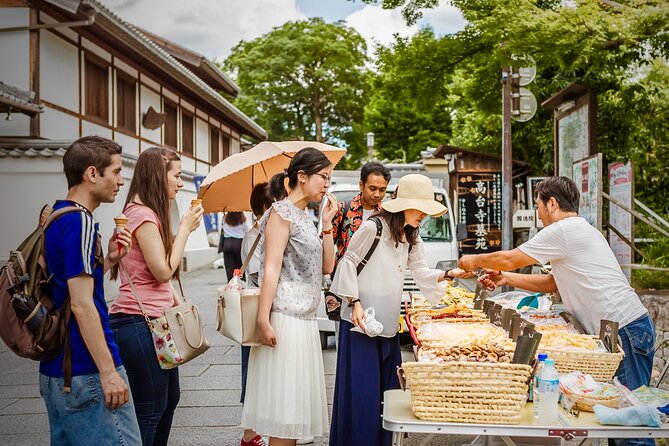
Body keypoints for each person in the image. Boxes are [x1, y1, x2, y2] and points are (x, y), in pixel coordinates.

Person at [459, 176, 654, 446]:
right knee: (616, 420)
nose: (538, 213)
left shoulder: (564, 230)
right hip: (625, 329)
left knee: (632, 426)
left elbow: (510, 258)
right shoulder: (576, 230)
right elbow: (553, 282)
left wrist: (472, 259)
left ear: (552, 203)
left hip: (627, 329)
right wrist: (506, 279)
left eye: (538, 205)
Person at [329, 174, 472, 446]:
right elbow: (347, 263)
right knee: (362, 393)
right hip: (361, 322)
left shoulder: (410, 234)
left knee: (386, 395)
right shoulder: (373, 228)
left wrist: (448, 274)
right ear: (405, 205)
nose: (424, 216)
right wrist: (355, 303)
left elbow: (419, 270)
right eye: (422, 210)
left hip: (388, 322)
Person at [40, 136, 141, 445]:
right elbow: (83, 305)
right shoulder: (81, 222)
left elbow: (66, 289)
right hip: (87, 369)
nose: (121, 181)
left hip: (57, 371)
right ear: (92, 173)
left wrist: (109, 259)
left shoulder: (56, 216)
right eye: (116, 172)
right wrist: (109, 372)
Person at [241, 147, 337, 446]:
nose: (326, 184)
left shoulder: (304, 215)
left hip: (305, 318)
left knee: (294, 418)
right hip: (285, 317)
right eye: (323, 177)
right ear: (301, 176)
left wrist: (327, 224)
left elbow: (327, 265)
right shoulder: (281, 212)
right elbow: (270, 266)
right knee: (286, 416)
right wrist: (262, 318)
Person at [108, 147, 203, 446]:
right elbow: (163, 271)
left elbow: (155, 278)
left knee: (168, 400)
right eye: (176, 175)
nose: (179, 182)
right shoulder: (143, 216)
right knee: (150, 409)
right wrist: (185, 229)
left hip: (153, 322)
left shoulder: (145, 213)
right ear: (157, 175)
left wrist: (178, 304)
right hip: (138, 323)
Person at [324, 162, 391, 322]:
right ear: (361, 185)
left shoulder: (388, 215)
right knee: (346, 335)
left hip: (377, 287)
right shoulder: (342, 210)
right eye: (372, 188)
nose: (377, 194)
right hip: (346, 286)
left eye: (382, 190)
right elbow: (326, 245)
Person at [239, 183, 273, 446]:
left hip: (267, 307)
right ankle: (249, 433)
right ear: (265, 207)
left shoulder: (265, 234)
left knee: (265, 371)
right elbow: (259, 276)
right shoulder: (254, 236)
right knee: (252, 371)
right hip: (256, 311)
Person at [222, 211, 253, 282]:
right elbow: (249, 230)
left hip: (227, 243)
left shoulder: (225, 217)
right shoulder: (243, 218)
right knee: (240, 264)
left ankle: (230, 281)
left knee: (229, 265)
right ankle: (240, 281)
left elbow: (222, 228)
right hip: (239, 244)